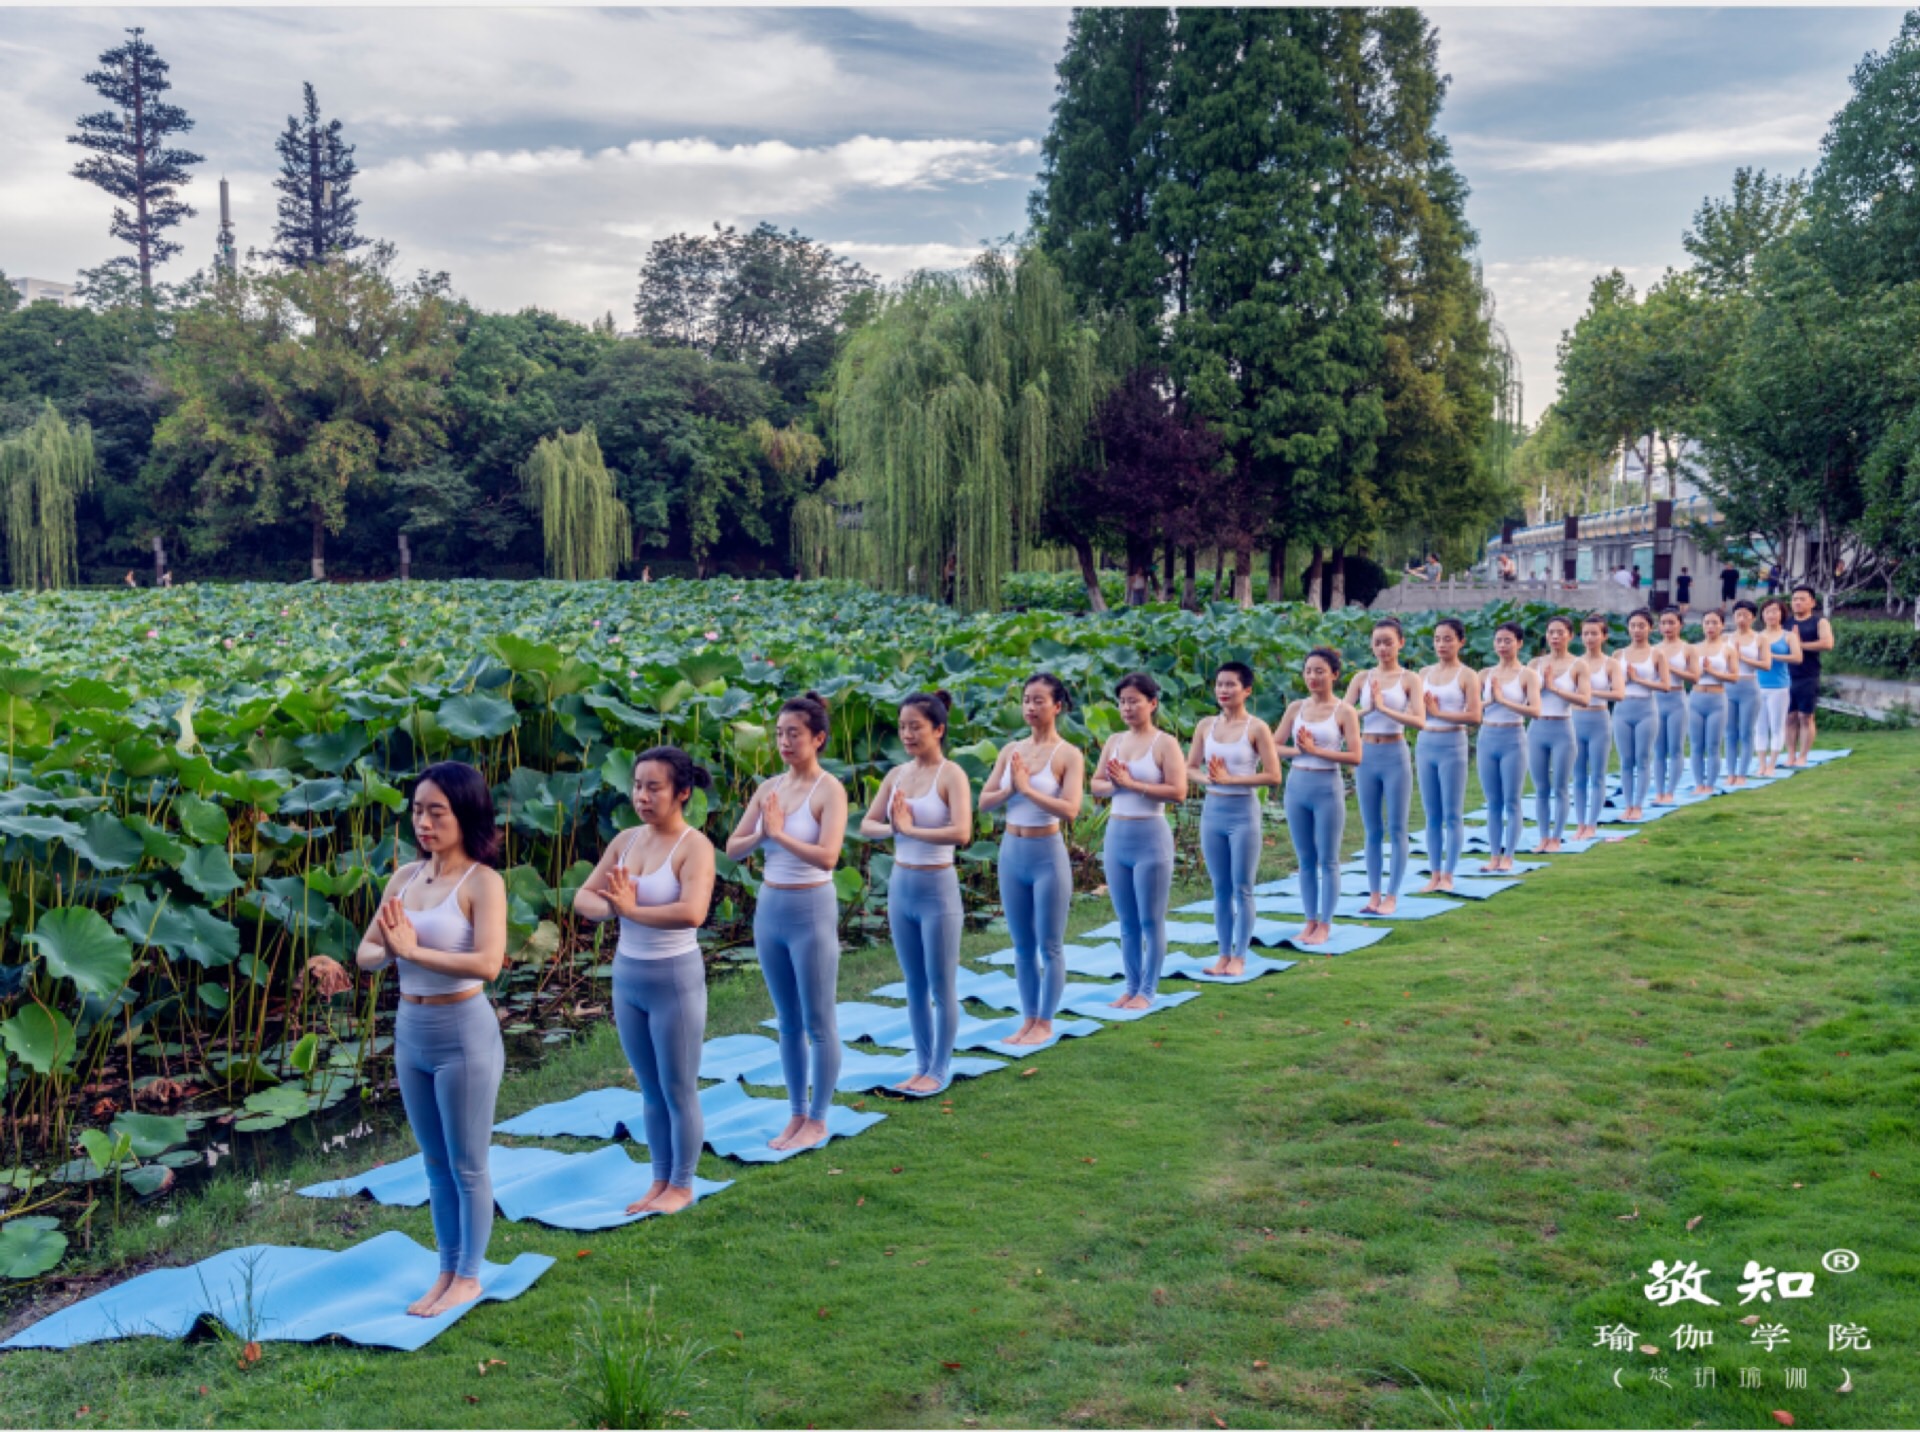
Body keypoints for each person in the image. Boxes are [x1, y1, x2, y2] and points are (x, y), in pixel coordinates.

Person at [305, 762, 509, 1316]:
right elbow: (368, 954)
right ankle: (446, 1270)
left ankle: (470, 1275)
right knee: (434, 1163)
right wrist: (393, 949)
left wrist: (413, 949)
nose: (423, 821)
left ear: (464, 814)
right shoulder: (404, 879)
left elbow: (489, 963)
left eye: (436, 811)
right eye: (417, 810)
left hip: (464, 1029)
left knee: (469, 1162)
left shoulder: (483, 882)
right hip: (412, 1031)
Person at [575, 747, 717, 1216]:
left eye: (654, 787)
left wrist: (631, 909)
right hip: (628, 976)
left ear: (681, 793)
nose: (642, 795)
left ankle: (682, 1183)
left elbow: (692, 912)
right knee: (649, 1087)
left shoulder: (693, 846)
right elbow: (584, 898)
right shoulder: (627, 842)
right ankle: (659, 1179)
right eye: (637, 785)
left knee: (678, 1086)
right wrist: (614, 907)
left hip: (673, 978)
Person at [724, 694, 848, 1146]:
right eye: (779, 734)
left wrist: (778, 836)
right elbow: (733, 848)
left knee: (819, 1020)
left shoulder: (829, 789)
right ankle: (796, 1113)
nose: (784, 742)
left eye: (793, 733)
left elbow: (828, 856)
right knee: (786, 1020)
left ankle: (818, 1117)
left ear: (817, 738)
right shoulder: (769, 789)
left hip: (811, 907)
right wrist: (762, 832)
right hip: (771, 909)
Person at [859, 692, 973, 1089]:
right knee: (914, 982)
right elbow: (867, 825)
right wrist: (894, 828)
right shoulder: (896, 776)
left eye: (916, 727)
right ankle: (921, 1063)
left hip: (937, 886)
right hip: (901, 885)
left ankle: (939, 1069)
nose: (907, 734)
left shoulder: (951, 775)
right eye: (903, 726)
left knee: (942, 983)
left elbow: (961, 832)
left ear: (938, 730)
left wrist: (911, 830)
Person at [981, 674, 1085, 1044]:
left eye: (1039, 700)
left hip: (1046, 854)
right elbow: (984, 801)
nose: (1030, 707)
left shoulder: (1068, 754)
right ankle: (1027, 1019)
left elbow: (1071, 808)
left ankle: (1045, 1022)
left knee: (1050, 944)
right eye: (1026, 699)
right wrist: (1012, 787)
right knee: (1022, 944)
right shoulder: (1012, 751)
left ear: (1057, 706)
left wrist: (1027, 790)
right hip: (1012, 851)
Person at [1090, 672, 1188, 1007]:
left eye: (1134, 701)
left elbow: (1178, 791)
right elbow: (1096, 784)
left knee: (1150, 918)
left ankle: (1148, 990)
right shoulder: (1115, 741)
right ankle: (1131, 986)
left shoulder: (1164, 743)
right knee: (1126, 920)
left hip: (1151, 836)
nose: (1128, 708)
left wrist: (1134, 785)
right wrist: (1118, 786)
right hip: (1118, 835)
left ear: (1152, 703)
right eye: (1123, 702)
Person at [1187, 661, 1281, 976]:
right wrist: (1209, 781)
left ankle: (1240, 956)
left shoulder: (1256, 728)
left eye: (1231, 685)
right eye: (1220, 684)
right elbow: (1190, 768)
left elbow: (1273, 775)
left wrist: (1232, 780)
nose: (1223, 690)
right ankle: (1223, 955)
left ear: (1247, 690)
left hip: (1243, 813)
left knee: (1243, 887)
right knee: (1220, 888)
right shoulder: (1205, 726)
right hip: (1213, 811)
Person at [1275, 648, 1364, 945]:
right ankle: (1309, 920)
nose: (1313, 677)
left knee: (1328, 859)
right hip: (1297, 786)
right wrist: (1300, 752)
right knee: (1305, 859)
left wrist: (1317, 751)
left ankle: (1325, 923)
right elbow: (1275, 746)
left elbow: (1355, 756)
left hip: (1327, 787)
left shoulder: (1344, 711)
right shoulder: (1296, 708)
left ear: (1334, 675)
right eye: (1308, 671)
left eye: (1320, 671)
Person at [1344, 618, 1425, 914]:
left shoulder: (1409, 679)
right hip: (1366, 753)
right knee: (1372, 829)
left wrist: (1387, 708)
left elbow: (1419, 720)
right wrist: (1370, 708)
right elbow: (1343, 715)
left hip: (1395, 752)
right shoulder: (1361, 678)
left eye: (1388, 642)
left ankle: (1392, 895)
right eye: (1377, 642)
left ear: (1400, 643)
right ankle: (1374, 894)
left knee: (1398, 827)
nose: (1382, 648)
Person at [1417, 618, 1481, 894]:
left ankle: (1449, 874)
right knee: (1431, 815)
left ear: (1460, 642)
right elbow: (1415, 711)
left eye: (1448, 639)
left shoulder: (1467, 675)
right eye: (1437, 639)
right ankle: (1434, 873)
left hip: (1453, 743)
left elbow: (1475, 716)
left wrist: (1440, 713)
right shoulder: (1422, 673)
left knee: (1452, 814)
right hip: (1425, 743)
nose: (1441, 644)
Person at [1477, 622, 1541, 874]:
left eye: (1508, 641)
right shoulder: (1483, 675)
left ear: (1519, 643)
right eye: (1499, 641)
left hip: (1513, 737)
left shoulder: (1527, 675)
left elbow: (1535, 710)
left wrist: (1503, 700)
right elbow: (1471, 708)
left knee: (1512, 800)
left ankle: (1509, 856)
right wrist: (1490, 701)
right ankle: (1494, 855)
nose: (1502, 645)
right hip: (1487, 736)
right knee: (1492, 801)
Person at [1527, 615, 1590, 854]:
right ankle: (1543, 836)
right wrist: (1541, 686)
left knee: (1561, 786)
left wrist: (1555, 688)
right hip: (1537, 729)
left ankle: (1556, 837)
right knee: (1540, 787)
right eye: (1551, 632)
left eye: (1560, 633)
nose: (1555, 637)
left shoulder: (1578, 665)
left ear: (1570, 636)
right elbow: (1524, 698)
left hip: (1563, 728)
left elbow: (1584, 699)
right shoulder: (1535, 664)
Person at [1613, 609, 1670, 820]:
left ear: (1650, 628)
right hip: (1622, 710)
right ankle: (1628, 804)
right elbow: (1612, 684)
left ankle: (1638, 805)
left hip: (1646, 709)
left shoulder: (1657, 654)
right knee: (1626, 760)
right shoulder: (1618, 654)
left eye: (1641, 626)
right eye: (1633, 626)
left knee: (1643, 758)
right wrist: (1624, 682)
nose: (1637, 630)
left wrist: (1637, 680)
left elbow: (1665, 685)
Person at [1570, 614, 1621, 840]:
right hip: (1575, 720)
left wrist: (1590, 692)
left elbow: (1618, 693)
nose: (1589, 638)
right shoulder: (1573, 663)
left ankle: (1592, 824)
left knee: (1597, 775)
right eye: (1586, 633)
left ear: (1604, 636)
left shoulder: (1611, 664)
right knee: (1578, 775)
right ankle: (1580, 823)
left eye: (1594, 633)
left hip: (1599, 720)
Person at [1784, 584, 1834, 767]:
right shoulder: (1786, 623)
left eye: (1802, 599)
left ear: (1812, 602)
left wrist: (1799, 645)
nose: (1797, 602)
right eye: (1795, 599)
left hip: (1808, 676)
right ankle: (1790, 755)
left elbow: (1827, 643)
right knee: (1789, 717)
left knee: (1805, 716)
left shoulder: (1819, 622)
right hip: (1786, 676)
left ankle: (1803, 756)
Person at [1724, 600, 1772, 786]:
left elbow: (1766, 665)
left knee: (1746, 732)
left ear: (1753, 617)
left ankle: (1742, 774)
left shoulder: (1760, 639)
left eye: (1745, 615)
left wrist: (1741, 656)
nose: (1741, 619)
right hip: (1728, 687)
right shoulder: (1725, 638)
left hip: (1749, 688)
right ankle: (1730, 773)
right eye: (1738, 615)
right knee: (1730, 733)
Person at [1753, 598, 1802, 776]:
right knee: (1759, 727)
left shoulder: (1788, 636)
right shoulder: (1757, 637)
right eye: (1767, 611)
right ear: (1762, 615)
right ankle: (1761, 765)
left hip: (1779, 687)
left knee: (1776, 726)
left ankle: (1772, 764)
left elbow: (1797, 658)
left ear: (1782, 614)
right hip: (1758, 686)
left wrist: (1772, 655)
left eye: (1775, 611)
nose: (1771, 615)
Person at [1689, 610, 1736, 793]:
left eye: (1715, 623)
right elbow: (1689, 675)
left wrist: (1712, 672)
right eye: (1707, 622)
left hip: (1717, 698)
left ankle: (1710, 784)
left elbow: (1734, 676)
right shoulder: (1693, 649)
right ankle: (1698, 783)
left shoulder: (1728, 650)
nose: (1710, 627)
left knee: (1713, 744)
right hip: (1696, 697)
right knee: (1696, 744)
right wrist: (1700, 672)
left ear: (1722, 625)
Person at [1653, 608, 1694, 805]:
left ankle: (1671, 791)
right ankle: (1659, 790)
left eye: (1671, 622)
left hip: (1677, 698)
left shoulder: (1687, 649)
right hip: (1656, 700)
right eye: (1664, 623)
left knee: (1675, 747)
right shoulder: (1653, 649)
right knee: (1658, 749)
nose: (1667, 627)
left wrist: (1670, 668)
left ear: (1680, 625)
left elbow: (1694, 677)